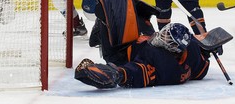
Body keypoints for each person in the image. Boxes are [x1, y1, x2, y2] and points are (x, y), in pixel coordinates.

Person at [75, 22, 210, 88]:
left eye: (167, 39)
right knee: (141, 17)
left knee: (106, 18)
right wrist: (207, 49)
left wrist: (119, 74)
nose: (162, 36)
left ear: (174, 48)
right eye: (164, 33)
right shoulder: (191, 51)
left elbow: (139, 72)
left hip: (122, 52)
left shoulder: (166, 67)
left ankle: (99, 34)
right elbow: (201, 70)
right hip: (142, 40)